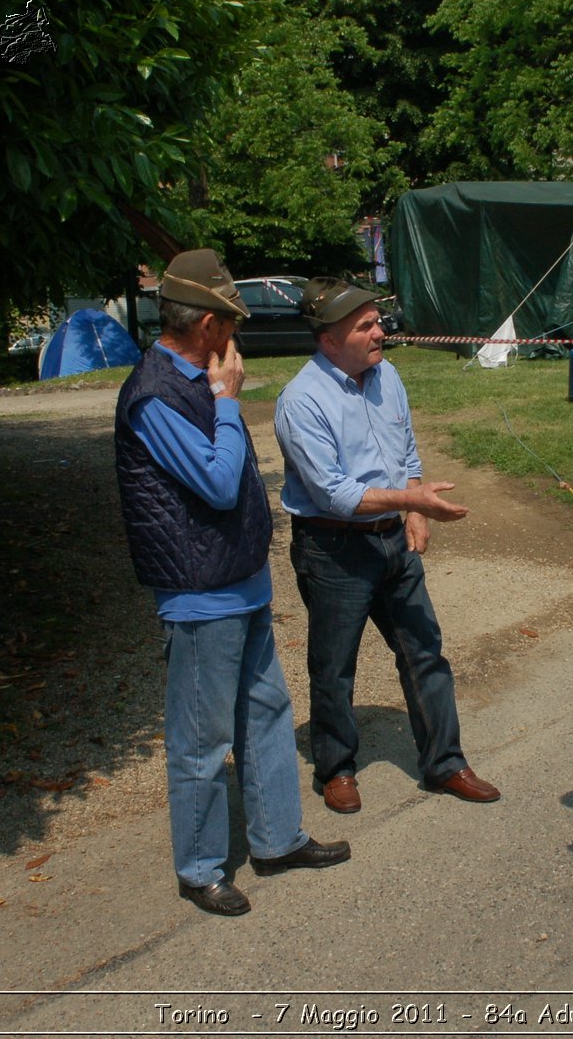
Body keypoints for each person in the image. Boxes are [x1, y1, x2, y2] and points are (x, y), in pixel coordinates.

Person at [113, 249, 349, 919]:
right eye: (231, 321)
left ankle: (278, 839)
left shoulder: (194, 378)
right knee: (202, 738)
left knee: (268, 714)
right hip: (199, 594)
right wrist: (225, 401)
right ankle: (199, 868)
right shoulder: (156, 393)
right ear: (209, 325)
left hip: (240, 585)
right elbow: (218, 483)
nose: (236, 335)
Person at [274, 276, 500, 815]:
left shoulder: (387, 375)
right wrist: (411, 499)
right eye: (366, 326)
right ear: (329, 340)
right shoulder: (301, 402)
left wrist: (413, 507)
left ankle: (445, 762)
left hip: (393, 540)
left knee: (425, 651)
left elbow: (404, 443)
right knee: (334, 667)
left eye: (377, 321)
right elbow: (334, 495)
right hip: (333, 549)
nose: (381, 331)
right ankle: (336, 769)